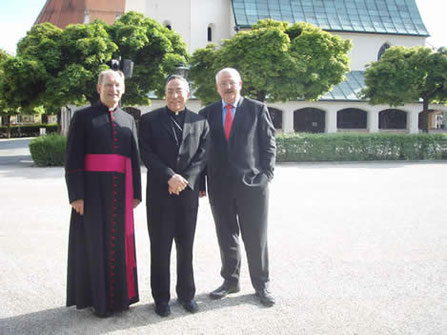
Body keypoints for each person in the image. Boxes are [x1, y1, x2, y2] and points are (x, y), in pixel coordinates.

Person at [65, 69, 142, 317]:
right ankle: (97, 301)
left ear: (123, 89)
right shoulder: (83, 117)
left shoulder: (128, 119)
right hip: (92, 193)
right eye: (108, 85)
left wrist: (136, 193)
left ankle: (120, 299)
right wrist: (76, 195)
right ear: (99, 88)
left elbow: (134, 158)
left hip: (120, 195)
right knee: (94, 245)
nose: (114, 89)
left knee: (119, 244)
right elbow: (73, 157)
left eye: (118, 85)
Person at [199, 68, 276, 307]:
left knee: (255, 236)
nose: (228, 87)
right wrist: (201, 183)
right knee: (226, 236)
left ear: (240, 84)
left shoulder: (257, 109)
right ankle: (230, 281)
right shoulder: (207, 113)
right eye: (223, 84)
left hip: (253, 186)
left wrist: (266, 175)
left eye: (231, 83)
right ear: (217, 87)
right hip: (219, 186)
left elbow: (269, 143)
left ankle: (261, 284)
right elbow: (201, 152)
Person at [139, 75, 209, 317]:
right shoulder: (148, 120)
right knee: (160, 248)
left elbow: (202, 155)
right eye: (169, 90)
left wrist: (184, 180)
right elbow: (146, 153)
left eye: (179, 90)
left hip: (187, 195)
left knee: (186, 247)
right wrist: (169, 176)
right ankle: (161, 298)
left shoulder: (201, 122)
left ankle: (187, 294)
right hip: (160, 193)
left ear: (187, 94)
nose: (174, 95)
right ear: (164, 93)